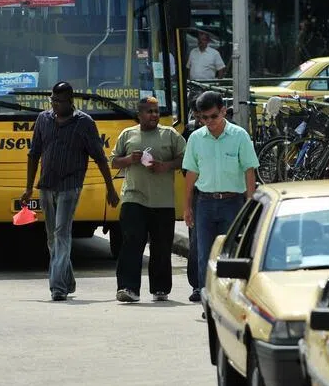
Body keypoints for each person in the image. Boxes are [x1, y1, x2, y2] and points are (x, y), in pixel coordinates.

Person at [22, 81, 120, 301]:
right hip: (46, 185)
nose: (55, 105)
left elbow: (100, 157)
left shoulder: (84, 123)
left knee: (62, 234)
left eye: (59, 101)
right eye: (52, 100)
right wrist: (28, 187)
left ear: (70, 101)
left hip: (70, 186)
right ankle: (68, 280)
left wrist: (110, 188)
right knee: (52, 237)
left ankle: (58, 287)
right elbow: (34, 153)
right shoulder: (43, 119)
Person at [183, 91, 259, 303]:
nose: (209, 122)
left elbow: (249, 171)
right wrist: (187, 207)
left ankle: (228, 300)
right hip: (204, 203)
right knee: (204, 255)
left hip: (233, 203)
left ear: (223, 111)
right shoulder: (196, 139)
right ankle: (207, 300)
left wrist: (250, 206)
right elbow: (191, 174)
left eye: (213, 116)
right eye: (203, 118)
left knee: (230, 254)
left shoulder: (240, 136)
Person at [111, 97, 186, 303]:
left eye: (156, 111)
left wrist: (166, 166)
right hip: (133, 197)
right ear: (139, 115)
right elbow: (114, 161)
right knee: (131, 243)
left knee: (161, 247)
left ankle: (160, 288)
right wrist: (129, 159)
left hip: (163, 201)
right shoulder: (128, 134)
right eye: (149, 111)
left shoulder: (170, 134)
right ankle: (128, 288)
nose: (154, 115)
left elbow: (186, 158)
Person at [183, 107, 204, 301]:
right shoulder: (191, 135)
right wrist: (187, 205)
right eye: (198, 117)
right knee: (197, 243)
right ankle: (197, 286)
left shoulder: (234, 133)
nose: (201, 121)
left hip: (228, 197)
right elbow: (187, 171)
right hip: (199, 195)